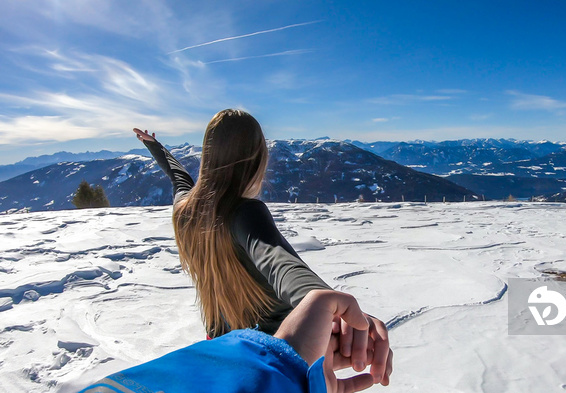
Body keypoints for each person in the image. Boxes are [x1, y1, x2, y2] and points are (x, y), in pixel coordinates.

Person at [132, 109, 390, 381]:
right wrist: (332, 306)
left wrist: (156, 148)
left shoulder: (184, 211)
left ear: (207, 156)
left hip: (220, 349)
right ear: (257, 159)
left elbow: (179, 178)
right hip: (272, 361)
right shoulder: (244, 213)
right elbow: (280, 264)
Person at [78, 289, 392, 393]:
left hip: (222, 341)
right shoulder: (246, 211)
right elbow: (276, 259)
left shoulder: (191, 207)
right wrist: (277, 361)